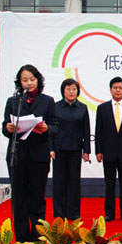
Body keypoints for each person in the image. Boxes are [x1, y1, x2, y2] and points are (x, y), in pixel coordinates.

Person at [2, 65, 58, 242]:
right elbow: (5, 126)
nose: (29, 83)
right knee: (18, 197)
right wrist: (9, 128)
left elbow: (56, 126)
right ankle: (21, 237)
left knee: (37, 198)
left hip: (39, 156)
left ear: (38, 80)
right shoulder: (13, 102)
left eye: (32, 79)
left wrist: (46, 128)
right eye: (25, 80)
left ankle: (38, 237)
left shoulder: (47, 101)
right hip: (17, 155)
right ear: (19, 82)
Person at [95, 77, 122, 222]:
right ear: (110, 90)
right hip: (108, 152)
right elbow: (98, 131)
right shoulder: (102, 108)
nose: (118, 90)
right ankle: (109, 213)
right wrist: (98, 151)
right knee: (109, 184)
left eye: (120, 88)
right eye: (115, 87)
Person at [49, 79, 91, 220]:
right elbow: (51, 129)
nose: (71, 92)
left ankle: (73, 213)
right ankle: (59, 213)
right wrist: (51, 148)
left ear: (78, 91)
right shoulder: (55, 107)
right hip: (59, 150)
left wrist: (86, 151)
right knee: (59, 182)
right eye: (68, 89)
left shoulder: (82, 108)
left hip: (75, 149)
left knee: (74, 182)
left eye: (74, 89)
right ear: (63, 91)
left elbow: (86, 130)